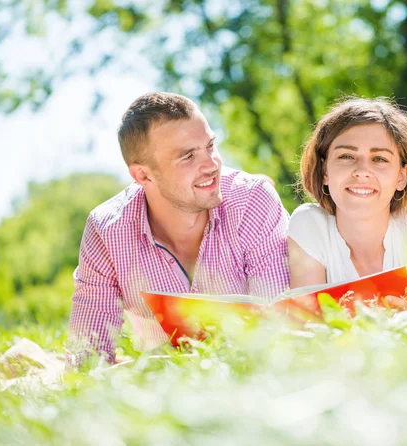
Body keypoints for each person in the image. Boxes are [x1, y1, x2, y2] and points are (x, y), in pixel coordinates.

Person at [67, 92, 289, 366]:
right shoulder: (106, 230)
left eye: (210, 146)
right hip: (165, 388)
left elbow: (280, 325)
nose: (211, 165)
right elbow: (86, 357)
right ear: (143, 175)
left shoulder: (253, 201)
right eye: (187, 156)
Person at [287, 96, 407, 305]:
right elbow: (307, 329)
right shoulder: (309, 225)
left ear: (401, 176)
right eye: (346, 156)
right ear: (324, 171)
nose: (362, 171)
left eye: (380, 159)